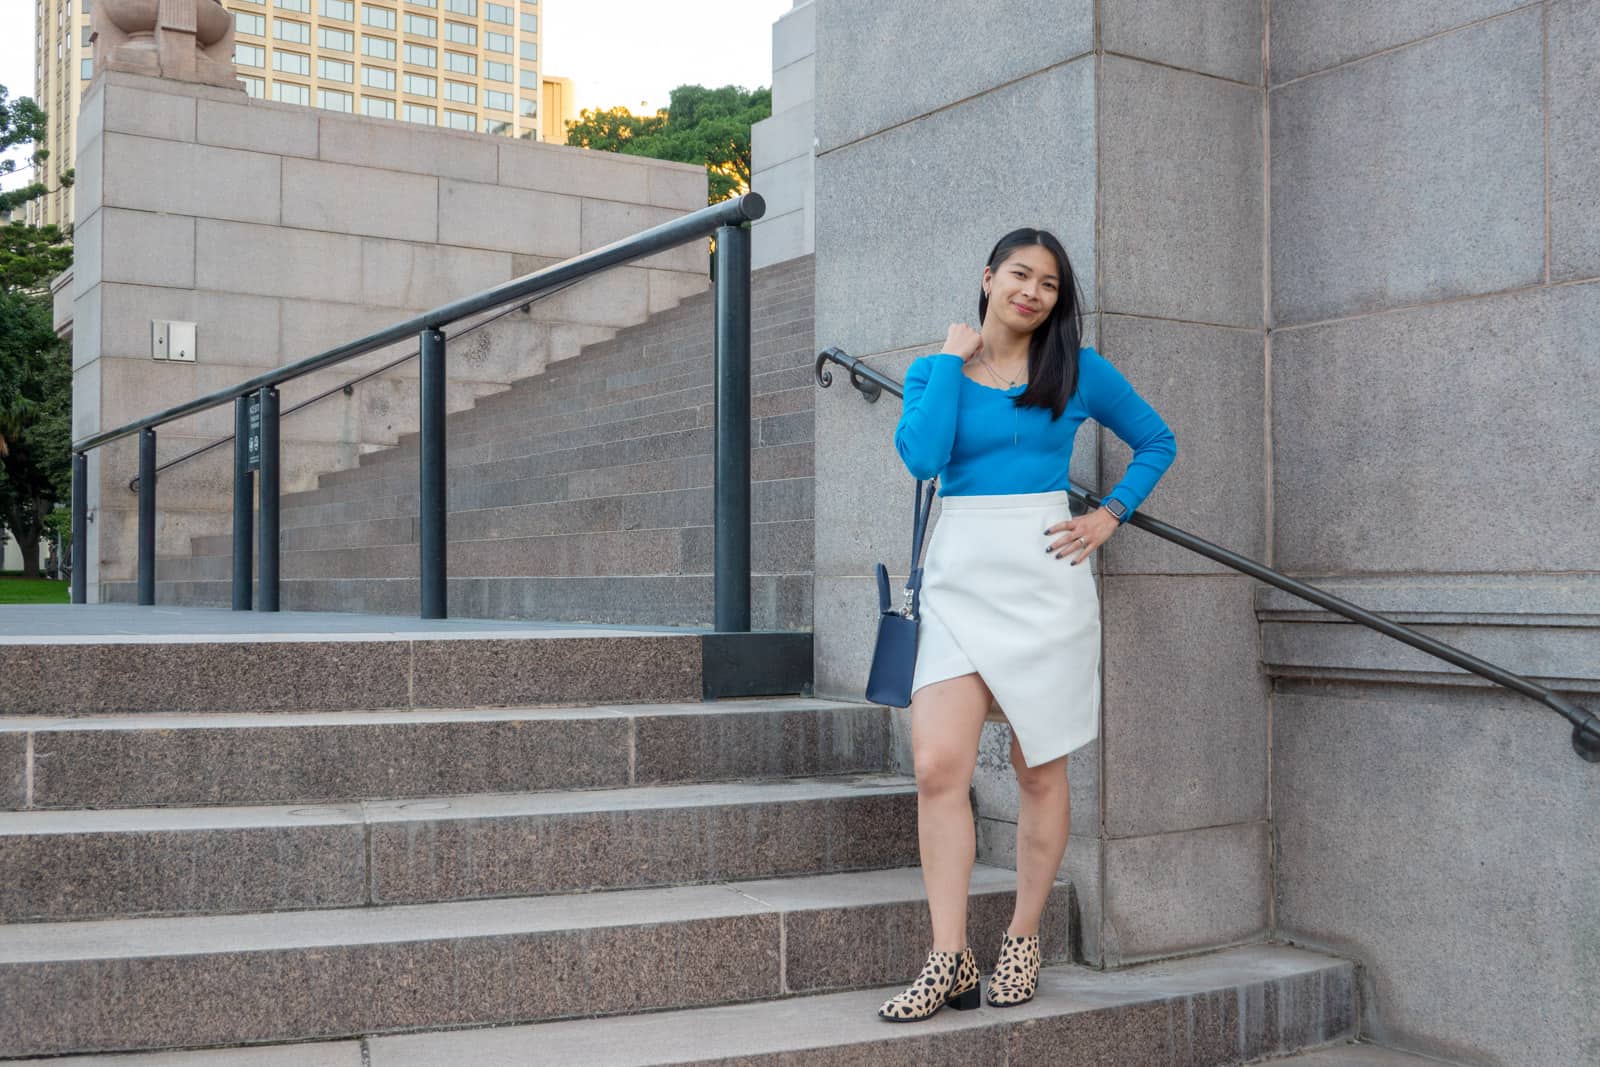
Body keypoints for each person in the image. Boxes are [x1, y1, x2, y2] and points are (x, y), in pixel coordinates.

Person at [876, 227, 1176, 1022]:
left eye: (1048, 283)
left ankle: (1022, 935)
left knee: (1040, 768)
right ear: (988, 277)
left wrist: (1109, 515)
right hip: (959, 578)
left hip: (1045, 582)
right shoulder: (932, 372)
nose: (1032, 292)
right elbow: (922, 458)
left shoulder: (1077, 371)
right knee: (939, 765)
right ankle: (948, 956)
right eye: (1019, 274)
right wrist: (948, 358)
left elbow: (1156, 439)